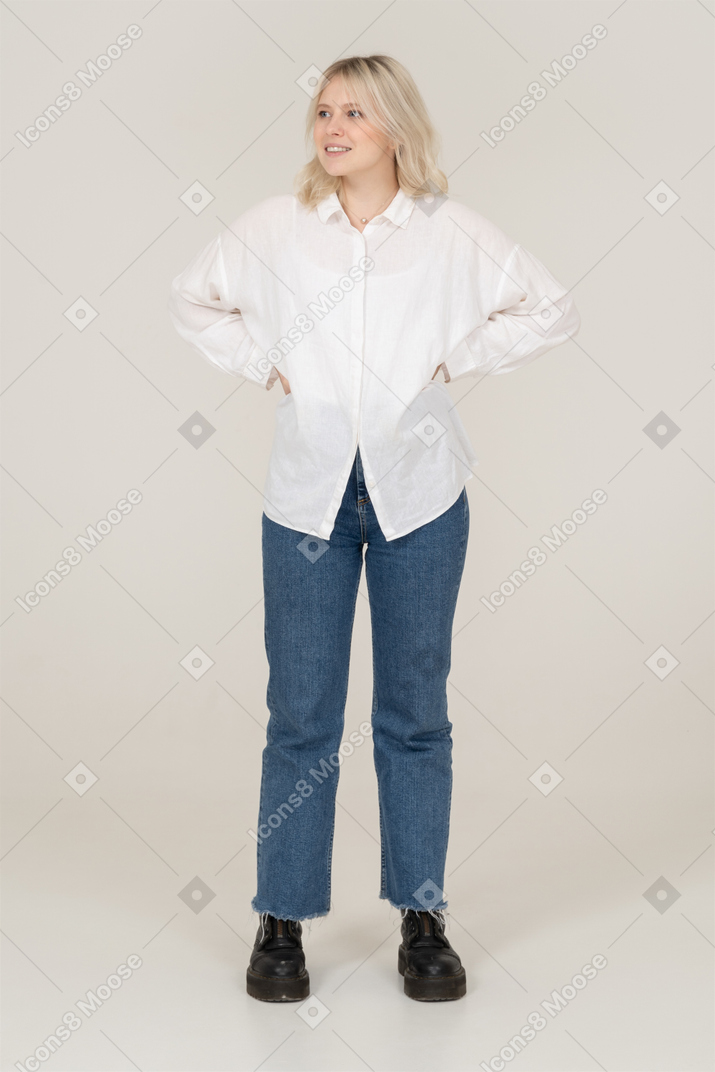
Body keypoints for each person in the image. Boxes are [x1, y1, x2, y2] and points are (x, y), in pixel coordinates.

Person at [168, 54, 580, 1003]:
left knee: (414, 713)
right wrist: (263, 361)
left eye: (354, 111)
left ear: (395, 126)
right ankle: (282, 918)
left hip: (421, 496)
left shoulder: (446, 233)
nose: (333, 126)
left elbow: (549, 306)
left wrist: (454, 355)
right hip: (307, 500)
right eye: (322, 111)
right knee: (300, 715)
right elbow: (192, 296)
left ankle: (421, 916)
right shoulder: (275, 228)